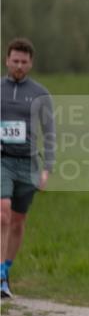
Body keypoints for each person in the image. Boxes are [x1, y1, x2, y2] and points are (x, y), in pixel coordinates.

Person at [1, 38, 55, 299]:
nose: (19, 66)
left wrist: (48, 169)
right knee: (3, 213)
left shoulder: (41, 93)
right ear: (7, 61)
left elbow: (50, 133)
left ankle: (5, 270)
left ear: (31, 63)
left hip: (30, 163)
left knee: (18, 221)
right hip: (3, 160)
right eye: (15, 61)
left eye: (24, 62)